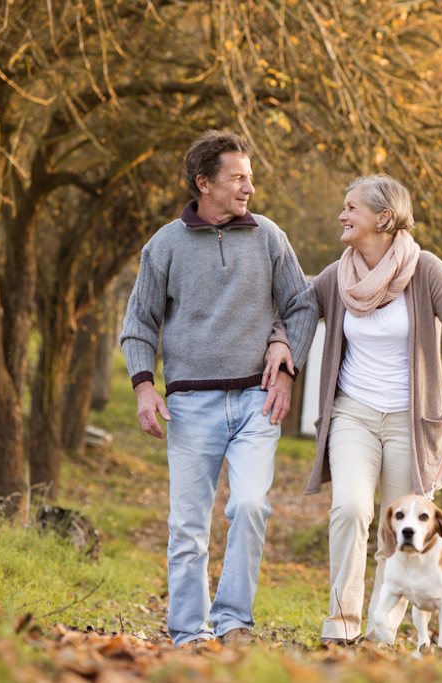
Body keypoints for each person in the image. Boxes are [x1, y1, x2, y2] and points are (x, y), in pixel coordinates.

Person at [120, 130, 318, 647]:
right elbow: (138, 323)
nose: (249, 187)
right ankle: (189, 632)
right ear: (204, 183)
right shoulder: (163, 245)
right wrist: (145, 388)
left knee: (251, 506)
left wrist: (287, 359)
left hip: (258, 400)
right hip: (189, 406)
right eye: (238, 177)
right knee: (187, 526)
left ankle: (233, 622)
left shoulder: (270, 236)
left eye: (250, 177)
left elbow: (302, 304)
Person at [302, 174, 442, 646]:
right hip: (353, 413)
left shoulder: (425, 270)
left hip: (411, 421)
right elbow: (300, 310)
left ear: (383, 218)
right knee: (349, 508)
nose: (342, 216)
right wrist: (283, 345)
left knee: (401, 525)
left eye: (351, 208)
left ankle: (381, 627)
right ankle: (341, 625)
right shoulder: (338, 275)